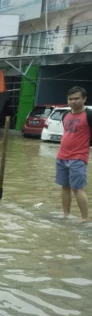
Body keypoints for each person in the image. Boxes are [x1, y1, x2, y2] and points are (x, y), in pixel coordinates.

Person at [56, 86, 90, 222]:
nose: (73, 101)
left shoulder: (89, 115)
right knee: (64, 187)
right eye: (70, 99)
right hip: (61, 156)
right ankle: (66, 214)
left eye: (76, 98)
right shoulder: (65, 115)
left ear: (84, 99)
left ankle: (85, 218)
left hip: (78, 157)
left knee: (77, 188)